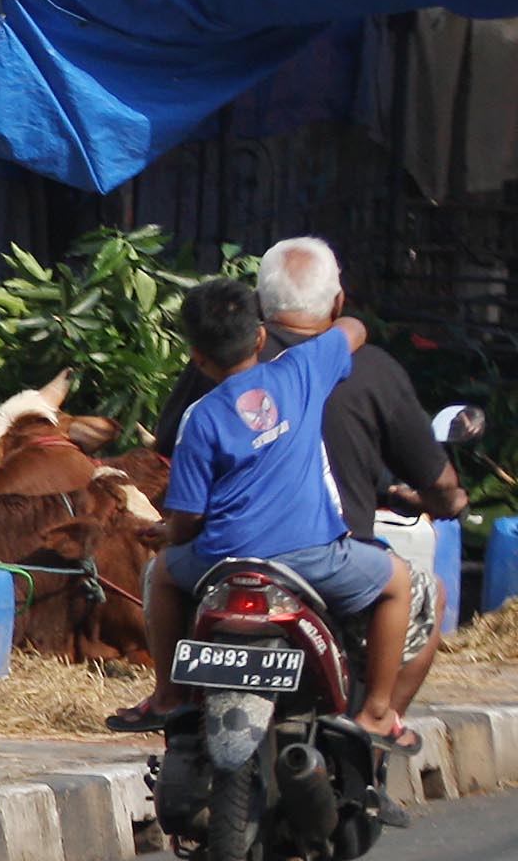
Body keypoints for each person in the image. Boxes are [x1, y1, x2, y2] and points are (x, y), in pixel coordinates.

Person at [116, 237, 463, 728]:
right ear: (256, 336)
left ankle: (169, 694)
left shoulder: (202, 407)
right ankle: (379, 714)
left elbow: (186, 510)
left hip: (221, 562)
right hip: (318, 560)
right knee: (404, 582)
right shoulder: (305, 372)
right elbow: (355, 331)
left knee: (162, 573)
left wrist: (170, 534)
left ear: (198, 356)